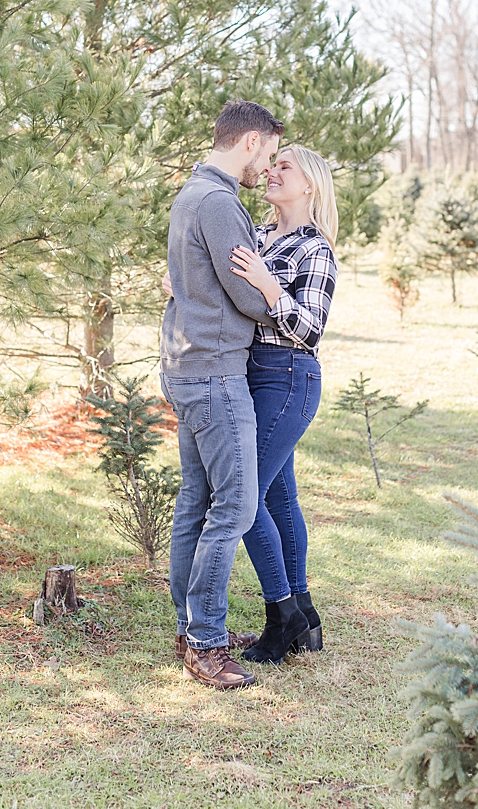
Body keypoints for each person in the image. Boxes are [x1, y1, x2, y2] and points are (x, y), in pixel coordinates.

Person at [160, 99, 284, 690]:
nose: (268, 168)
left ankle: (190, 630)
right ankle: (206, 642)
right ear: (251, 142)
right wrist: (270, 290)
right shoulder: (219, 204)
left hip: (187, 366)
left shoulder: (190, 197)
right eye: (269, 154)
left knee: (196, 501)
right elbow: (251, 299)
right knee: (232, 506)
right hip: (213, 372)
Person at [227, 146, 337, 664]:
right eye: (272, 164)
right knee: (277, 499)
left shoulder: (315, 249)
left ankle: (283, 615)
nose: (271, 170)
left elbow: (309, 328)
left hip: (288, 377)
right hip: (251, 375)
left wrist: (269, 285)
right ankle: (307, 616)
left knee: (242, 498)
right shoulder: (258, 235)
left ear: (309, 185)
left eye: (284, 166)